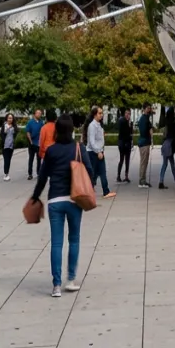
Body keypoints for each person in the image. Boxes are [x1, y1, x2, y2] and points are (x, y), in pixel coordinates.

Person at [29, 115, 91, 297]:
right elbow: (90, 170)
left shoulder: (51, 151)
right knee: (74, 239)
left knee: (56, 242)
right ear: (72, 130)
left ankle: (56, 285)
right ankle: (70, 279)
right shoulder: (79, 148)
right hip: (74, 199)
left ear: (56, 130)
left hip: (54, 200)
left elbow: (42, 177)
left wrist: (35, 196)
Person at [83, 107, 114, 198]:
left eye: (102, 113)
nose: (101, 115)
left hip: (99, 151)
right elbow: (91, 142)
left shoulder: (99, 124)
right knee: (93, 173)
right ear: (95, 114)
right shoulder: (92, 126)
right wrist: (98, 152)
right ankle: (88, 191)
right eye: (100, 113)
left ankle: (106, 191)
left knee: (101, 171)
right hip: (93, 153)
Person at [159, 116, 175, 189]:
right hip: (169, 148)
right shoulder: (174, 129)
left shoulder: (168, 126)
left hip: (165, 146)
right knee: (172, 165)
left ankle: (161, 181)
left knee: (164, 164)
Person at [137, 105, 154, 188]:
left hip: (143, 143)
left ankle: (142, 180)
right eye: (148, 108)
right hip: (144, 143)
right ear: (144, 109)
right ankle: (142, 181)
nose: (149, 109)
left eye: (149, 108)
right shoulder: (145, 119)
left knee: (143, 162)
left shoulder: (144, 118)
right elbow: (146, 131)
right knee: (144, 162)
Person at [25, 109, 44, 180]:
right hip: (32, 144)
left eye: (40, 113)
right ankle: (30, 174)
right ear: (34, 114)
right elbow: (28, 132)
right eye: (38, 113)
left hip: (39, 144)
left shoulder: (41, 122)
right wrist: (31, 142)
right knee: (31, 159)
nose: (39, 114)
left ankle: (38, 173)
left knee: (39, 159)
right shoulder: (30, 122)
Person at [116, 108, 133, 183]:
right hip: (122, 143)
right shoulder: (122, 121)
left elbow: (130, 133)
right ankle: (118, 175)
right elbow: (123, 132)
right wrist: (128, 124)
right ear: (124, 113)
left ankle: (126, 176)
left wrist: (129, 125)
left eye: (129, 113)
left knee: (127, 160)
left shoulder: (129, 122)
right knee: (122, 159)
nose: (128, 115)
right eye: (127, 113)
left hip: (128, 143)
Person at [0, 114, 18, 182]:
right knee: (6, 160)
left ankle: (7, 173)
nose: (10, 119)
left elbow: (16, 134)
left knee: (9, 160)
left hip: (11, 146)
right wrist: (5, 131)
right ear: (6, 118)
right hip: (5, 146)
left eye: (11, 118)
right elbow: (1, 135)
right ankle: (6, 174)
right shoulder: (4, 125)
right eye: (9, 118)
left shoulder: (14, 126)